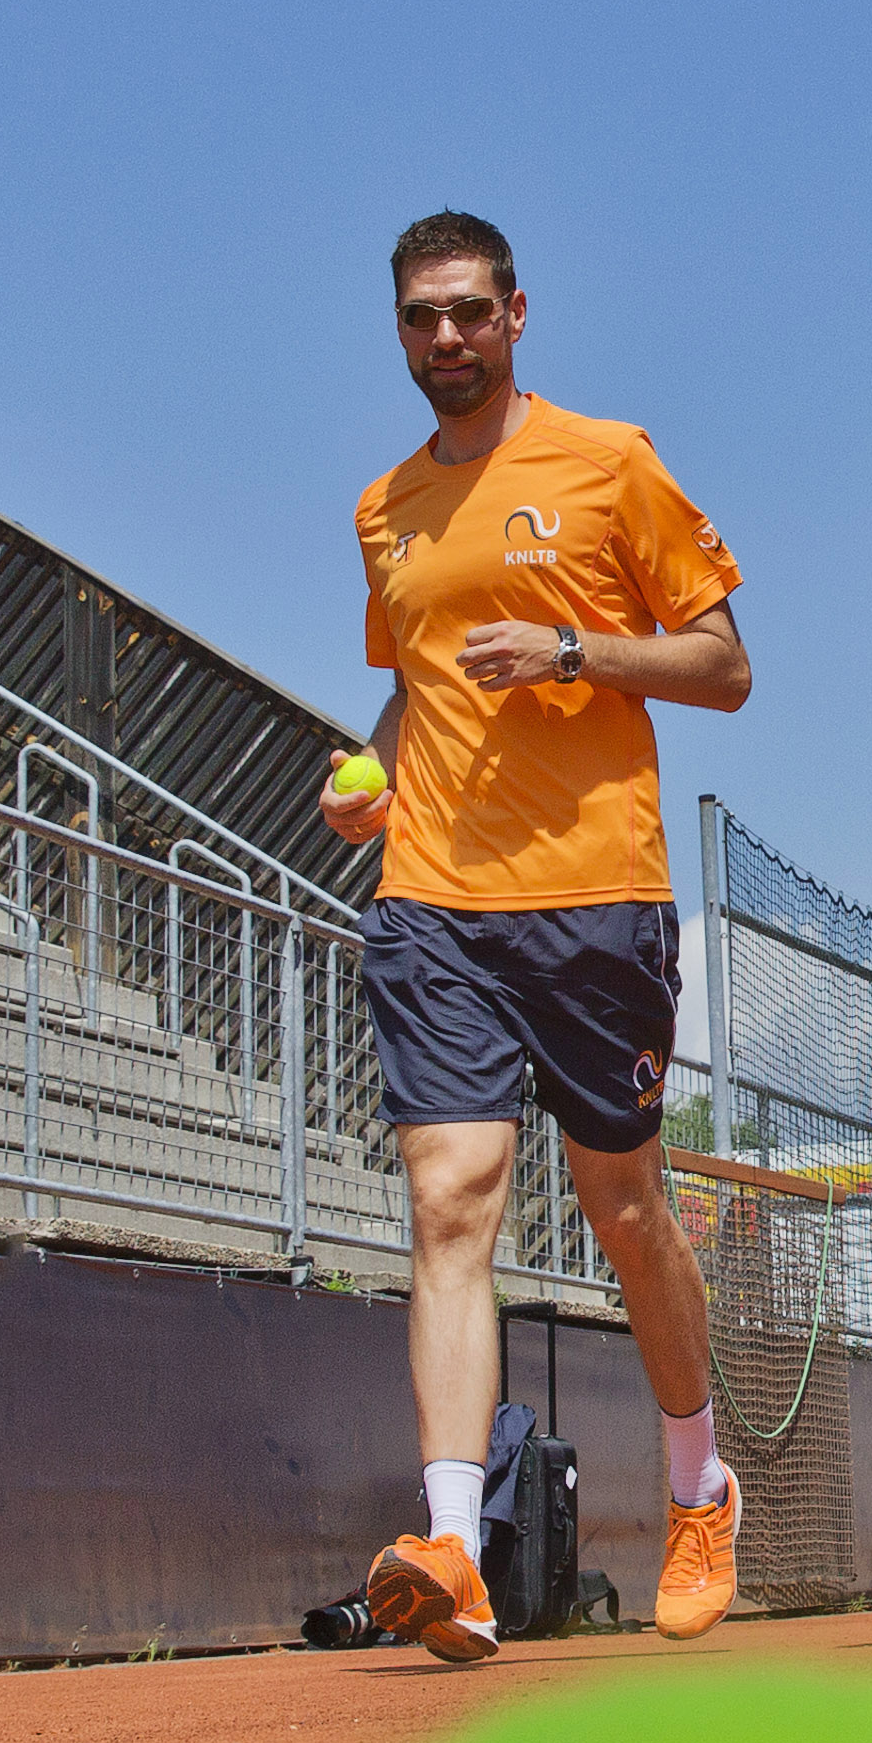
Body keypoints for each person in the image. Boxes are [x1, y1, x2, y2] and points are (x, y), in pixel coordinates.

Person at [323, 210, 755, 1664]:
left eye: (466, 312)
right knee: (452, 1200)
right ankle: (449, 1545)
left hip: (593, 897)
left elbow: (723, 663)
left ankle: (700, 1486)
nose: (443, 338)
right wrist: (371, 768)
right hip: (433, 897)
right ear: (397, 333)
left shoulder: (607, 461)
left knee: (625, 1213)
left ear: (515, 315)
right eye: (417, 319)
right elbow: (412, 685)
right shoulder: (385, 507)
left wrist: (573, 649)